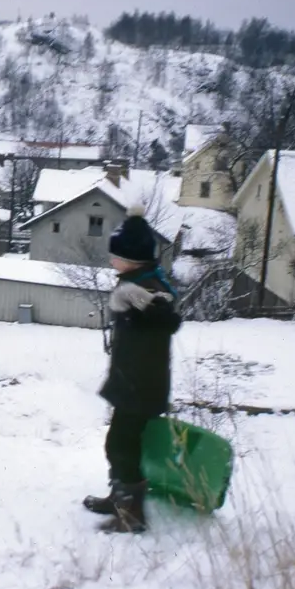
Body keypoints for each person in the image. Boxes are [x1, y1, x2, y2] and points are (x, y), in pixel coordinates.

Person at [84, 204, 183, 534]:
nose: (112, 260)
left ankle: (132, 513)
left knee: (121, 446)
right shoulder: (139, 283)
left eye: (116, 256)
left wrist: (141, 307)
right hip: (132, 383)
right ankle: (120, 499)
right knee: (120, 444)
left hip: (140, 386)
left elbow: (164, 319)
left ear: (133, 258)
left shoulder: (148, 290)